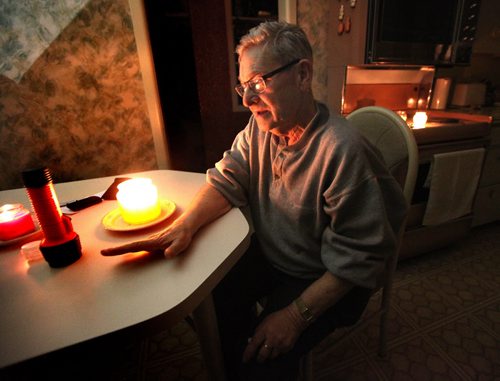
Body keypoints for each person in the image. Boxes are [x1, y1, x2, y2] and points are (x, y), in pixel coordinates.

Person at [102, 21, 407, 380]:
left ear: (303, 75)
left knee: (261, 364)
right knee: (205, 301)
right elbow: (227, 177)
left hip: (327, 275)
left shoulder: (342, 150)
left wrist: (294, 317)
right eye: (244, 87)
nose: (247, 101)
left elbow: (360, 259)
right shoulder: (260, 129)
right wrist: (185, 225)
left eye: (259, 83)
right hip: (275, 257)